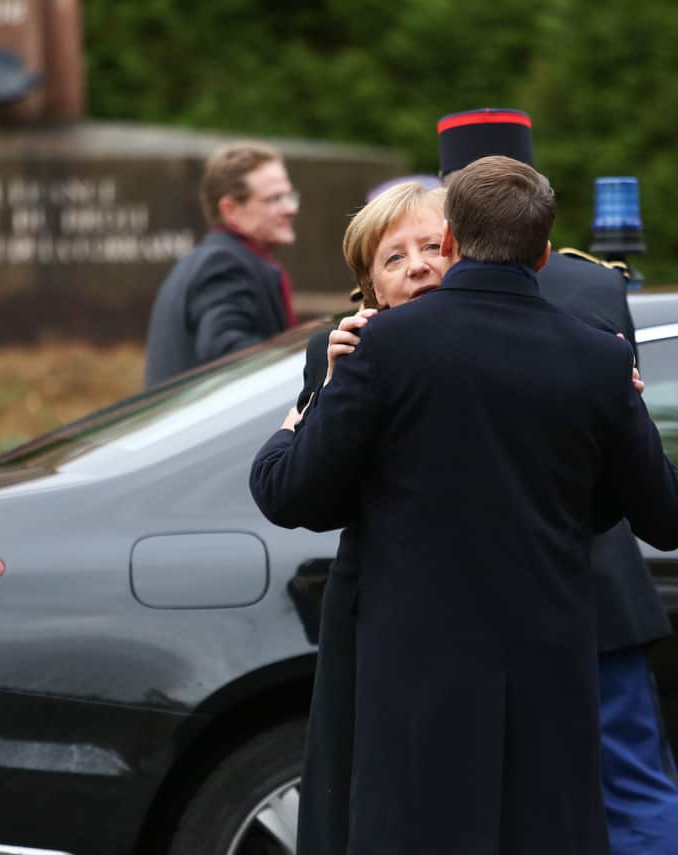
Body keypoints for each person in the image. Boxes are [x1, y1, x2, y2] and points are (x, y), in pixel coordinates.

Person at [251, 155, 678, 855]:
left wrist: (296, 418)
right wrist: (623, 421)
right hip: (547, 671)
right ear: (545, 254)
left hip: (413, 670)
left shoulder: (378, 349)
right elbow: (669, 517)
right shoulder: (597, 361)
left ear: (452, 242)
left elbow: (287, 491)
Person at [436, 107, 678, 855]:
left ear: (448, 207)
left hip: (476, 593)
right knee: (632, 785)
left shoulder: (428, 296)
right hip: (598, 574)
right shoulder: (593, 287)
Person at [293, 181, 448, 855]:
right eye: (394, 257)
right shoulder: (345, 354)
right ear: (372, 288)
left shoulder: (528, 341)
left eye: (433, 246)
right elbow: (308, 494)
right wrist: (332, 394)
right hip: (385, 621)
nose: (417, 264)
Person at [143, 141, 300, 387]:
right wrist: (305, 352)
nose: (290, 208)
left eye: (289, 195)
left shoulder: (219, 258)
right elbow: (226, 353)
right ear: (230, 209)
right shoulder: (221, 263)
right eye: (274, 199)